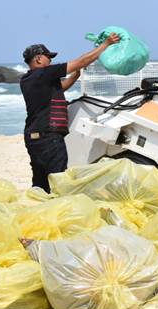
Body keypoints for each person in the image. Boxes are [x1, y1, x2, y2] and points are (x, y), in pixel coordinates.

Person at [20, 33, 120, 192]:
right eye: (48, 57)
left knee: (40, 180)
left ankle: (38, 206)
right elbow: (81, 61)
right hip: (48, 136)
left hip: (33, 136)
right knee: (58, 178)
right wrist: (106, 44)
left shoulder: (28, 80)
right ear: (38, 59)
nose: (50, 60)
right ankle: (57, 210)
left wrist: (75, 76)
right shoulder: (44, 73)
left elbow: (59, 89)